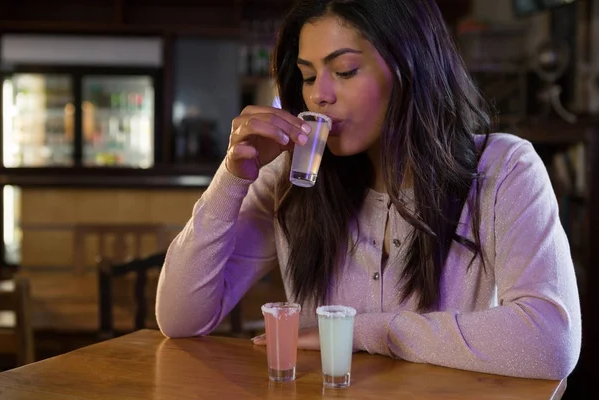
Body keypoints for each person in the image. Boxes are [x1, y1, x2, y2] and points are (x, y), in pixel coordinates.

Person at [156, 0, 581, 380]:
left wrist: (357, 330)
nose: (318, 95)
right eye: (307, 76)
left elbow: (549, 340)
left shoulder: (503, 168)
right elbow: (180, 318)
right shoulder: (291, 178)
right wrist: (232, 178)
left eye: (344, 71)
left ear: (409, 68)